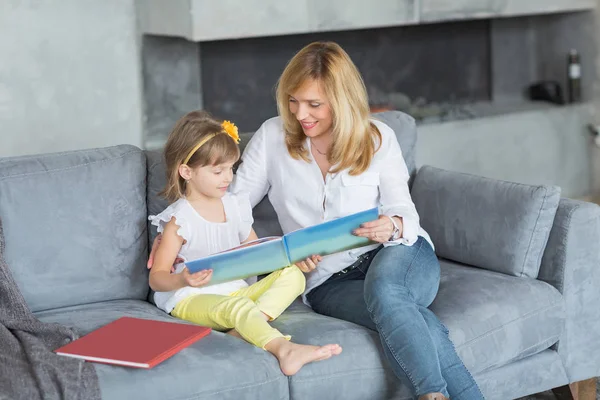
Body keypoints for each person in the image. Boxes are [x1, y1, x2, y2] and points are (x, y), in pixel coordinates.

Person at [230, 42, 485, 400]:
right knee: (414, 321)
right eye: (293, 100)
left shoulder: (378, 138)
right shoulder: (272, 137)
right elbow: (233, 207)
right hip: (327, 281)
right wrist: (280, 253)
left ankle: (431, 396)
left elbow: (404, 211)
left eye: (314, 104)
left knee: (386, 290)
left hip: (397, 254)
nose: (301, 113)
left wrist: (392, 226)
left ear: (342, 99)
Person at [147, 110, 342, 376]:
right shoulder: (179, 220)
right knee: (239, 307)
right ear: (186, 171)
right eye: (218, 171)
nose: (228, 178)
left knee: (294, 277)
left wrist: (292, 258)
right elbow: (157, 278)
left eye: (231, 169)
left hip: (235, 291)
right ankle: (284, 350)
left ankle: (242, 330)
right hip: (191, 298)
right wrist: (183, 280)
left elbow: (259, 253)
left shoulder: (235, 207)